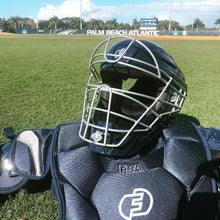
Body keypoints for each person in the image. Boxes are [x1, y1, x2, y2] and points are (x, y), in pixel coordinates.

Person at [1, 36, 220, 220]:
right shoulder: (63, 145)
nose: (111, 99)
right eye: (110, 87)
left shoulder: (194, 142)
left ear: (165, 100)